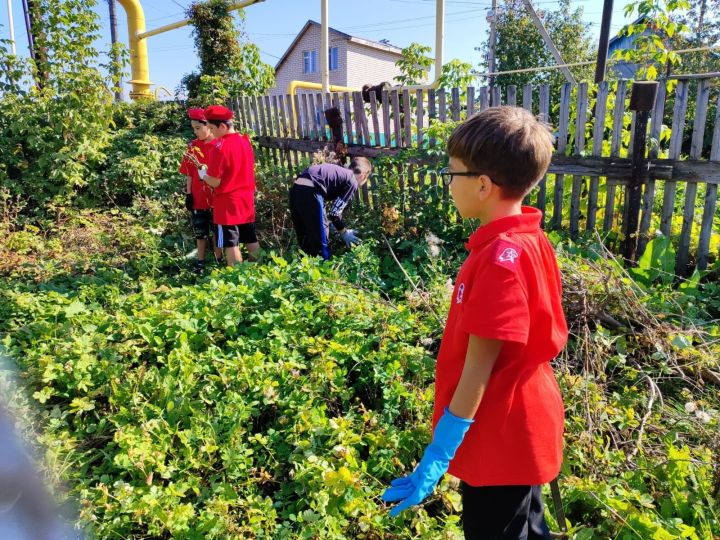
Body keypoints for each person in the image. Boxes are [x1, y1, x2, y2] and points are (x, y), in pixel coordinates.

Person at [381, 106, 568, 539]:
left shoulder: (501, 262)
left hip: (499, 436)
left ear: (482, 185)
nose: (449, 185)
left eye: (453, 174)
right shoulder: (528, 238)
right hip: (523, 425)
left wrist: (439, 453)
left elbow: (478, 369)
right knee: (526, 525)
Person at [200, 105, 260, 265]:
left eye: (212, 128)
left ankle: (236, 276)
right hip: (246, 199)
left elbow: (215, 181)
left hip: (226, 202)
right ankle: (260, 270)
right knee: (249, 236)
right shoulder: (245, 141)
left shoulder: (219, 148)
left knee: (230, 242)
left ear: (223, 126)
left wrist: (204, 176)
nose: (211, 132)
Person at [288, 158, 372, 260]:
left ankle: (305, 269)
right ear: (363, 175)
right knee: (320, 245)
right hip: (311, 190)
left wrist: (333, 225)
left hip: (296, 189)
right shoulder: (352, 180)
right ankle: (325, 272)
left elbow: (333, 210)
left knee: (305, 237)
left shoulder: (341, 173)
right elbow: (334, 213)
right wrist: (344, 233)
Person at [178, 107, 222, 272]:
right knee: (200, 230)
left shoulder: (218, 145)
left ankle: (219, 259)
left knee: (217, 229)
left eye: (198, 128)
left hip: (216, 196)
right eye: (193, 129)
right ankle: (201, 261)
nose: (195, 132)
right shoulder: (192, 148)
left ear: (208, 126)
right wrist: (189, 194)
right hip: (198, 196)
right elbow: (189, 173)